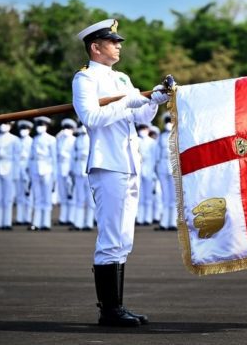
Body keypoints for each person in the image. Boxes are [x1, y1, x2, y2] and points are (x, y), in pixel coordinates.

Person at [72, 18, 169, 327]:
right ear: (95, 47)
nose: (118, 45)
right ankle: (109, 311)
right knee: (112, 237)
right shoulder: (84, 79)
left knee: (124, 237)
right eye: (113, 41)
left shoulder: (123, 79)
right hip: (107, 164)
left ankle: (116, 307)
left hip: (128, 163)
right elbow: (91, 117)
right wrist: (127, 101)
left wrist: (155, 99)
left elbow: (141, 117)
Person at [0, 121, 20, 230]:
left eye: (6, 123)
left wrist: (16, 174)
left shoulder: (14, 139)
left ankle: (7, 222)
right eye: (1, 123)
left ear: (10, 126)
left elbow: (17, 158)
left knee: (8, 197)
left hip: (9, 168)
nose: (3, 125)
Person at [28, 116, 57, 231]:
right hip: (35, 169)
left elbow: (54, 158)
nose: (40, 127)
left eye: (42, 125)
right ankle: (36, 223)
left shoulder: (51, 139)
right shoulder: (34, 139)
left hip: (47, 169)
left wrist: (54, 175)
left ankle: (46, 223)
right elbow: (31, 157)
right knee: (37, 197)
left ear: (46, 126)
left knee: (47, 197)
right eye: (38, 125)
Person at [156, 115, 177, 231]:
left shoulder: (178, 136)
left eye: (170, 121)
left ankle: (173, 222)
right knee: (165, 196)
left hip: (174, 166)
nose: (168, 123)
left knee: (174, 197)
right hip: (163, 166)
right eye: (167, 121)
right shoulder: (161, 137)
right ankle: (164, 222)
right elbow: (157, 154)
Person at [15, 120, 34, 226]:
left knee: (28, 195)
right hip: (18, 169)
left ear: (29, 130)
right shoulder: (16, 141)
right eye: (21, 129)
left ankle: (27, 218)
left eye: (25, 129)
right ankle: (19, 218)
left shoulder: (32, 141)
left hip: (28, 170)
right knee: (19, 195)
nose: (23, 131)